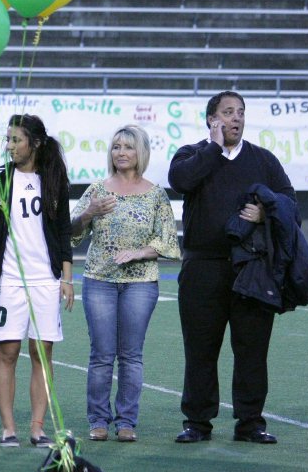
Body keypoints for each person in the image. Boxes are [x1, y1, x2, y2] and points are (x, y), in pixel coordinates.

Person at [168, 90, 294, 445]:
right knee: (200, 351)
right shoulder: (192, 154)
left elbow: (290, 203)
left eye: (240, 112)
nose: (236, 118)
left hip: (252, 270)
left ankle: (250, 423)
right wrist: (213, 147)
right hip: (201, 269)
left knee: (252, 350)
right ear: (212, 120)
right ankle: (197, 423)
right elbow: (181, 181)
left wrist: (266, 212)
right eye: (228, 112)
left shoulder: (263, 160)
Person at [70, 125, 180, 443]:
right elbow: (71, 231)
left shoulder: (156, 194)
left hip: (141, 283)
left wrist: (139, 252)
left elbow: (168, 242)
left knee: (131, 355)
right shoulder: (97, 190)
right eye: (116, 146)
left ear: (140, 153)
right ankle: (98, 420)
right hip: (100, 280)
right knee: (102, 354)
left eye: (128, 147)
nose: (121, 152)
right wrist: (89, 212)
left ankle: (127, 421)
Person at [0, 114, 75, 448]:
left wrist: (67, 278)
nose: (10, 146)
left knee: (41, 353)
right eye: (8, 140)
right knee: (8, 351)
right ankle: (8, 428)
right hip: (9, 282)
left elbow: (63, 229)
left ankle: (37, 427)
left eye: (16, 140)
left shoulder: (54, 178)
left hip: (45, 280)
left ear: (35, 142)